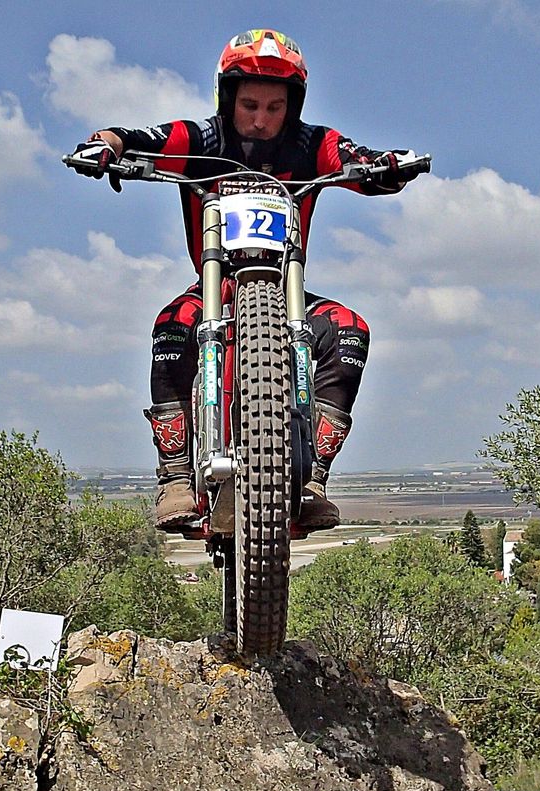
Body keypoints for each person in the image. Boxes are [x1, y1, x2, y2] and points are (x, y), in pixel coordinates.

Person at [70, 28, 422, 531]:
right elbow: (139, 138)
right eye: (250, 104)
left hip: (287, 293)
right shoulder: (201, 139)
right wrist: (103, 145)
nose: (260, 119)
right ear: (228, 98)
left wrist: (384, 166)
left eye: (274, 107)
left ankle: (313, 477)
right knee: (170, 324)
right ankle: (174, 476)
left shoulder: (312, 144)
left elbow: (351, 158)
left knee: (350, 329)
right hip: (213, 287)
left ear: (292, 106)